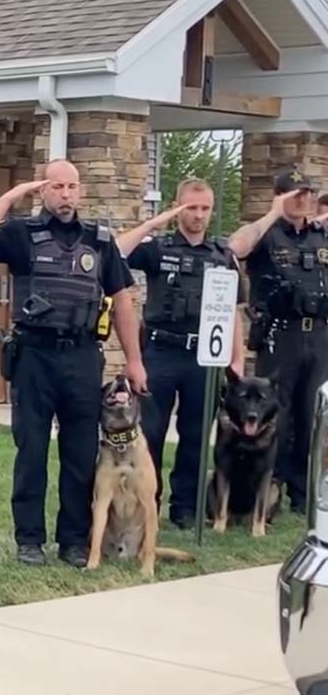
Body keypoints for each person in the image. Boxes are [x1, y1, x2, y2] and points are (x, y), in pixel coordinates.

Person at [0, 159, 144, 568]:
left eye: (72, 186)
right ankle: (29, 540)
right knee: (32, 452)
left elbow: (123, 301)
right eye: (57, 186)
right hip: (34, 357)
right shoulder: (23, 234)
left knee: (79, 454)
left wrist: (134, 360)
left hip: (81, 356)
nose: (66, 194)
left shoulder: (99, 240)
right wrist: (9, 198)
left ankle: (74, 541)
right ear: (43, 191)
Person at [115, 179, 245, 529]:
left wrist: (237, 358)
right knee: (151, 433)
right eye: (191, 208)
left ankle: (185, 508)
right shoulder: (158, 249)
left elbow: (233, 309)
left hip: (203, 355)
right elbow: (115, 252)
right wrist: (153, 223)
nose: (198, 216)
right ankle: (148, 503)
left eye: (205, 209)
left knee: (196, 435)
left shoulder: (222, 255)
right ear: (178, 208)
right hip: (160, 351)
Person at [227, 169, 328, 515]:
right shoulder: (266, 235)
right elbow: (234, 248)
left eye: (309, 193)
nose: (305, 199)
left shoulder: (320, 235)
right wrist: (272, 212)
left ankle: (303, 495)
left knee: (313, 414)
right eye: (297, 194)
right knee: (277, 413)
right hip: (279, 334)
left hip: (318, 334)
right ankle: (269, 490)